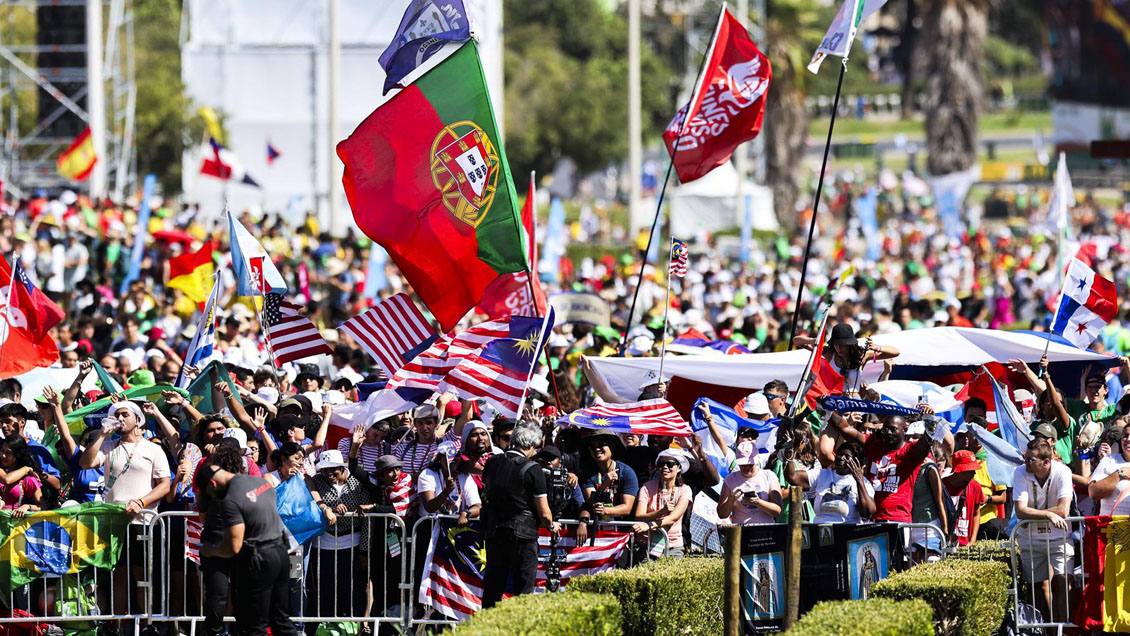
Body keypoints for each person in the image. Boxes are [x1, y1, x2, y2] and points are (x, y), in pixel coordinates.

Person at [79, 400, 171, 614]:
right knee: (118, 576)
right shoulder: (109, 446)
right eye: (116, 415)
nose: (120, 418)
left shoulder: (153, 449)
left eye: (125, 415)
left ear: (137, 419)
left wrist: (141, 502)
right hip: (115, 523)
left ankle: (147, 623)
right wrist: (102, 434)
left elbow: (164, 484)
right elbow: (85, 464)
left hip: (143, 521)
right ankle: (120, 625)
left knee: (144, 577)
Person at [196, 465, 298, 636]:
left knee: (254, 626)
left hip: (260, 558)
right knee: (281, 621)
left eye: (211, 494)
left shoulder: (230, 499)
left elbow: (233, 547)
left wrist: (210, 550)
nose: (214, 498)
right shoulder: (259, 481)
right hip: (280, 552)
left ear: (213, 484)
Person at [480, 422, 559, 609]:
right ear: (531, 445)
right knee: (523, 592)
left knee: (492, 589)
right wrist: (551, 525)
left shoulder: (491, 462)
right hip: (523, 537)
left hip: (494, 533)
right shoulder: (533, 469)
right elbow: (545, 513)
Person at [1012, 438, 1074, 625]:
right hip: (1030, 538)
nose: (1026, 462)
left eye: (1031, 459)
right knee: (1037, 587)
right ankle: (1047, 631)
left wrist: (1040, 514)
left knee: (1063, 582)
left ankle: (1064, 630)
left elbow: (1064, 510)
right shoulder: (1020, 472)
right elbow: (1020, 510)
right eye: (1026, 457)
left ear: (1046, 462)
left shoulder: (1063, 471)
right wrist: (1048, 515)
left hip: (1059, 537)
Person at [308, 449, 370, 624]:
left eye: (332, 469)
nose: (328, 473)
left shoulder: (357, 482)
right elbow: (312, 506)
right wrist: (330, 509)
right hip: (325, 543)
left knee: (352, 587)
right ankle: (326, 626)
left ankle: (354, 626)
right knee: (326, 588)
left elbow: (367, 518)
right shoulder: (317, 481)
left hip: (352, 542)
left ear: (342, 467)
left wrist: (364, 549)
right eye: (324, 470)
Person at [784, 440, 875, 523]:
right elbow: (792, 477)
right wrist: (790, 453)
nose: (841, 458)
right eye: (839, 454)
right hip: (821, 531)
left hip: (848, 533)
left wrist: (859, 480)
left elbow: (868, 512)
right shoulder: (822, 474)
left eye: (847, 457)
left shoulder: (862, 482)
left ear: (856, 462)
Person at [631, 448, 693, 557]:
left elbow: (672, 518)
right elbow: (639, 516)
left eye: (670, 464)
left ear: (679, 468)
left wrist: (650, 525)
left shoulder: (685, 490)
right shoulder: (647, 487)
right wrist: (661, 512)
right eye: (661, 464)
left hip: (672, 546)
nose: (665, 467)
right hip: (645, 545)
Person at [579, 430, 639, 522]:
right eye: (593, 447)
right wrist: (604, 485)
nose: (597, 449)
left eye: (601, 445)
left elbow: (627, 508)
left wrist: (605, 511)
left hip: (621, 529)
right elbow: (591, 503)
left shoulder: (627, 472)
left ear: (612, 447)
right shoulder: (588, 473)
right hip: (597, 528)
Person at [717, 441, 782, 524]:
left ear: (756, 461)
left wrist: (758, 502)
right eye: (743, 464)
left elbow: (777, 511)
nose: (747, 467)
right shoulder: (730, 479)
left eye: (750, 464)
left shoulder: (769, 476)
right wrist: (732, 498)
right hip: (740, 533)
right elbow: (721, 514)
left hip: (765, 531)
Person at [943, 450, 986, 547]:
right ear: (959, 470)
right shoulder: (941, 486)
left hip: (965, 542)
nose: (974, 473)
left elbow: (976, 514)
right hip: (944, 541)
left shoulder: (975, 486)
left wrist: (973, 539)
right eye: (970, 470)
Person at [1088, 421, 1130, 515]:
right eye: (1125, 436)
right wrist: (1120, 473)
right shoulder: (1109, 460)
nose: (1128, 439)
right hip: (1110, 527)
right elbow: (1093, 493)